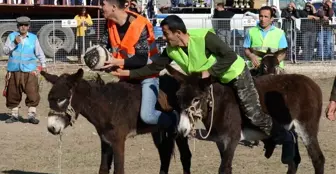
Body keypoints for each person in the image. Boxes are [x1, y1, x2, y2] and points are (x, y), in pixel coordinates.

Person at [111, 15, 296, 164]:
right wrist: (126, 71)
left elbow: (230, 56)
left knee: (253, 112)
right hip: (212, 82)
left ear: (177, 33)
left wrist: (209, 71)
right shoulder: (171, 50)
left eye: (166, 34)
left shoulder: (204, 37)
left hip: (235, 74)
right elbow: (153, 68)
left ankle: (285, 138)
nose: (164, 37)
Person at [98, 0, 178, 131]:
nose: (100, 7)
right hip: (125, 75)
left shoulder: (140, 24)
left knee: (147, 116)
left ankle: (173, 119)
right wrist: (99, 62)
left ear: (113, 7)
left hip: (147, 74)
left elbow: (141, 59)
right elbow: (103, 47)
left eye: (103, 4)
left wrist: (117, 62)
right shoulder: (109, 23)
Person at [2, 16, 47, 124]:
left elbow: (39, 52)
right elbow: (5, 51)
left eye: (25, 25)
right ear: (17, 26)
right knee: (13, 93)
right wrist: (14, 43)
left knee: (33, 93)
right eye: (21, 25)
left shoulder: (33, 38)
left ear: (28, 27)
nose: (23, 27)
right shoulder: (12, 36)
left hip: (30, 71)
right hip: (14, 70)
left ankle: (31, 115)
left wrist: (43, 64)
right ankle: (14, 115)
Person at [244, 6, 288, 73]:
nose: (262, 19)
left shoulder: (280, 33)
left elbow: (283, 53)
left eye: (266, 16)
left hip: (274, 68)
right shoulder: (251, 31)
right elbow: (246, 49)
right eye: (261, 16)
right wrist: (251, 55)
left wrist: (273, 63)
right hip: (255, 67)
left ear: (272, 18)